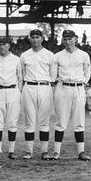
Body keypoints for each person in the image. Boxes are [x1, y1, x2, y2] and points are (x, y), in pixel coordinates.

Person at [51, 30, 91, 161]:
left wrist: (83, 82)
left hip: (78, 88)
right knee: (60, 121)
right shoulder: (57, 56)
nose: (67, 41)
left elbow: (87, 72)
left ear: (76, 39)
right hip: (62, 88)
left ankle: (81, 152)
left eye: (70, 38)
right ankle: (56, 152)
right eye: (65, 39)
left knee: (79, 121)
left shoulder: (83, 55)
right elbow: (53, 74)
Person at [20, 29, 56, 161]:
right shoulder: (24, 55)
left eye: (37, 37)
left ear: (42, 38)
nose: (35, 40)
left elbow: (53, 74)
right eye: (33, 37)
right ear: (30, 39)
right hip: (29, 86)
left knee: (44, 121)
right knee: (29, 121)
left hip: (45, 87)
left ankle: (44, 151)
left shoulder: (50, 55)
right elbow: (22, 73)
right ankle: (28, 151)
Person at [0, 36, 22, 160]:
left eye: (4, 44)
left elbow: (20, 77)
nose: (2, 47)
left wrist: (17, 91)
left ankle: (11, 151)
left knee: (12, 122)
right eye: (0, 44)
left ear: (9, 45)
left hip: (13, 90)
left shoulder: (17, 60)